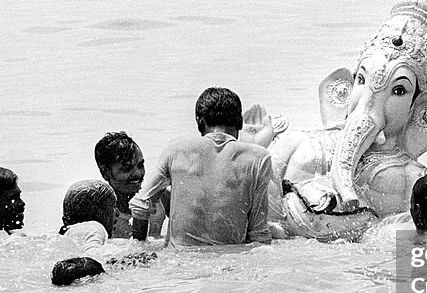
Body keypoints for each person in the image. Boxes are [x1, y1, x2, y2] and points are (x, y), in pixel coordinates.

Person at [129, 87, 273, 247]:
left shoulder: (176, 149)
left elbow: (141, 205)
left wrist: (139, 245)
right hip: (230, 263)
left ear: (199, 122)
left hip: (179, 261)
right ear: (239, 122)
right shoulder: (258, 158)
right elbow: (258, 233)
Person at [94, 131, 168, 238]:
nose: (137, 173)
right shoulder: (99, 213)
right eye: (127, 169)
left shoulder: (158, 196)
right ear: (105, 172)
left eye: (140, 165)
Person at [59, 179, 117, 258]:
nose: (117, 213)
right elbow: (93, 257)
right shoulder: (94, 228)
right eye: (113, 207)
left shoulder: (73, 233)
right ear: (97, 212)